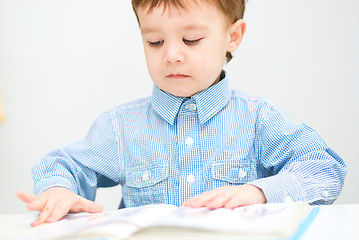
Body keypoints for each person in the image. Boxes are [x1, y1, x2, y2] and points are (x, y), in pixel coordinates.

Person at [17, 0, 347, 227]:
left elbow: (324, 169)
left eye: (191, 39)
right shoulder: (121, 127)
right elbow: (63, 164)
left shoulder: (258, 120)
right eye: (155, 42)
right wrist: (58, 190)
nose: (172, 55)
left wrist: (260, 192)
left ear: (232, 37)